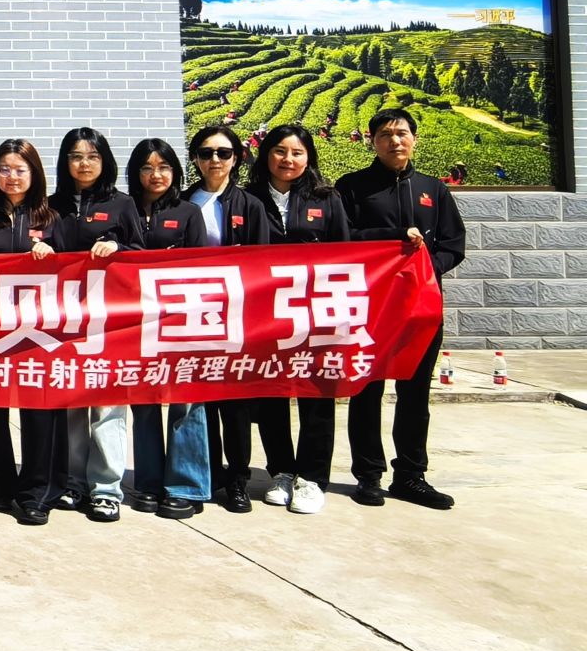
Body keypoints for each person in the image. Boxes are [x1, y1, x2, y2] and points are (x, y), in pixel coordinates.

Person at [337, 108, 463, 511]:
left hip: (421, 307)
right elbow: (344, 238)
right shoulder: (352, 187)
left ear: (414, 139)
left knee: (415, 393)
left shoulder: (433, 189)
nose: (395, 141)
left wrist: (424, 269)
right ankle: (368, 476)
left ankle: (411, 475)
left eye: (402, 133)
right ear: (372, 141)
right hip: (371, 307)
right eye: (386, 134)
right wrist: (392, 238)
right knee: (366, 390)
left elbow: (453, 244)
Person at [245, 123, 349, 516]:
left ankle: (312, 477)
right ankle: (281, 472)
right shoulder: (249, 197)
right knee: (271, 391)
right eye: (280, 151)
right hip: (266, 313)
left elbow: (345, 253)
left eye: (297, 152)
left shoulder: (327, 198)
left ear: (309, 158)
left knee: (317, 393)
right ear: (266, 154)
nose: (288, 159)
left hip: (317, 311)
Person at [0, 139, 68, 526]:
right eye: (4, 169)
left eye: (20, 169)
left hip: (39, 330)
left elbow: (78, 265)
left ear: (34, 173)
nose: (12, 177)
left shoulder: (53, 217)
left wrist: (54, 255)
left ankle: (37, 493)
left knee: (40, 411)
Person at [46, 128, 144, 523]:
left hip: (109, 322)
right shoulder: (51, 205)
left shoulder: (122, 204)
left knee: (107, 406)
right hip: (65, 320)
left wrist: (119, 248)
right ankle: (73, 483)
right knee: (71, 405)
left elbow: (141, 253)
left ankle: (106, 489)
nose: (83, 164)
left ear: (105, 161)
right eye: (75, 156)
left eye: (92, 156)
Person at [185, 123, 272, 513]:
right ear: (196, 159)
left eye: (223, 152)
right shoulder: (183, 202)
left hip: (236, 316)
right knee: (200, 402)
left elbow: (263, 263)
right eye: (206, 153)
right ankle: (208, 475)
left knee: (235, 403)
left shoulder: (250, 205)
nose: (215, 160)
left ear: (236, 158)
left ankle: (238, 478)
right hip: (192, 316)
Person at [124, 138, 211, 519]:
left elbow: (200, 266)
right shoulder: (124, 209)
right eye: (147, 167)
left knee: (186, 402)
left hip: (181, 320)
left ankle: (186, 486)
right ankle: (147, 482)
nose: (155, 175)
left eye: (163, 167)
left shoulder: (189, 212)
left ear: (175, 171)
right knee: (143, 403)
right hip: (135, 322)